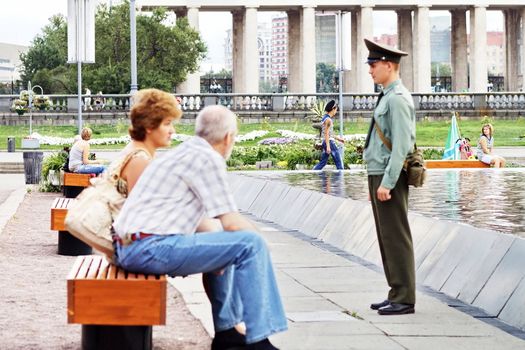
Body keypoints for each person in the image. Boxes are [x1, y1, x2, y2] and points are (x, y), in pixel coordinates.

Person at [112, 105, 287, 350]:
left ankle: (227, 332)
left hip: (132, 245)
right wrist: (262, 245)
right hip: (147, 247)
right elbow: (233, 223)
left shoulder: (184, 153)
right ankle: (258, 340)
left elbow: (209, 226)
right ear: (228, 138)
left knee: (229, 242)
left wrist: (219, 252)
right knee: (251, 243)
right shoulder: (207, 159)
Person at [363, 38, 416, 315]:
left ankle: (405, 298)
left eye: (373, 65)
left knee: (396, 237)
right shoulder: (386, 96)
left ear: (388, 65)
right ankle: (396, 291)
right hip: (378, 174)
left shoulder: (397, 99)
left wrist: (388, 182)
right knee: (386, 237)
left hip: (388, 177)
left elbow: (402, 148)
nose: (370, 70)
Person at [110, 88, 182, 194]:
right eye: (167, 123)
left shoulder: (135, 150)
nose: (172, 130)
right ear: (149, 125)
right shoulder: (139, 160)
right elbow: (140, 208)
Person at [313, 100, 345, 170]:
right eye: (336, 109)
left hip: (326, 142)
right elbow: (326, 134)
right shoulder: (328, 120)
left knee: (323, 162)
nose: (336, 112)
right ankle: (340, 179)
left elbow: (329, 133)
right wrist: (328, 146)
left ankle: (313, 172)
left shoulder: (325, 118)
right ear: (333, 109)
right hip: (329, 143)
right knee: (339, 162)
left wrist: (339, 139)